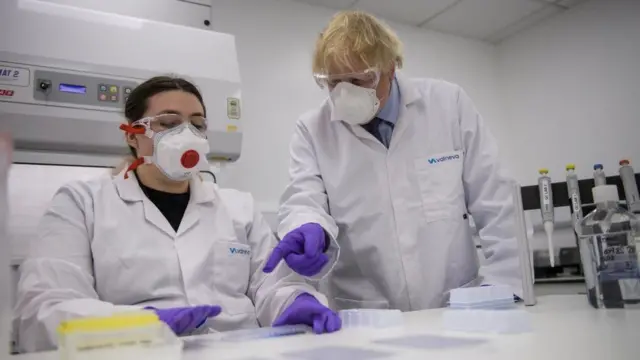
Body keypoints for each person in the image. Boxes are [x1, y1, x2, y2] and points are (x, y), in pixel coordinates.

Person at [13, 76, 340, 353]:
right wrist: (138, 324)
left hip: (240, 351)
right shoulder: (83, 203)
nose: (187, 135)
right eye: (168, 123)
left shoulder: (238, 207)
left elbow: (270, 286)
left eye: (197, 125)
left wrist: (293, 302)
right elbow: (43, 309)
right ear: (132, 134)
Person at [263, 11, 522, 311]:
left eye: (361, 79)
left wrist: (502, 284)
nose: (347, 93)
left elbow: (497, 201)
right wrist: (307, 225)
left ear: (391, 67)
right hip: (366, 315)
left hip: (456, 305)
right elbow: (304, 199)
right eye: (335, 83)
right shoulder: (313, 129)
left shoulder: (448, 105)